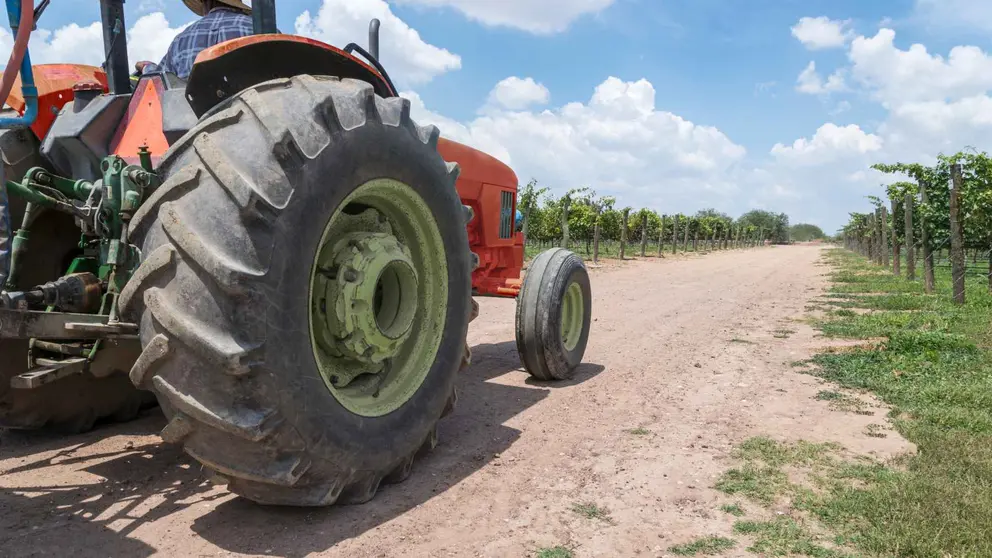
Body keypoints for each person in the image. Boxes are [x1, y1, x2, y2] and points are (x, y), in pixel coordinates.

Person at [136, 0, 253, 80]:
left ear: (204, 2)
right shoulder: (256, 29)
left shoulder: (180, 40)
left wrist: (148, 67)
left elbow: (160, 81)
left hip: (192, 115)